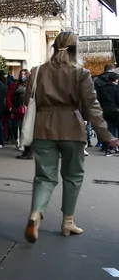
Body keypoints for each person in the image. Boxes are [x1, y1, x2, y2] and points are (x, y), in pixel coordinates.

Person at [23, 32, 118, 244]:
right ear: (76, 50)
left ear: (54, 48)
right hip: (72, 128)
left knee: (44, 177)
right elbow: (91, 106)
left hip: (42, 128)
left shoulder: (38, 71)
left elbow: (27, 98)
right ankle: (67, 222)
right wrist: (105, 135)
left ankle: (36, 214)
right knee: (73, 176)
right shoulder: (81, 73)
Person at [96, 73, 119, 156]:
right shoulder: (116, 88)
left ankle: (107, 149)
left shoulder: (102, 88)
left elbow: (99, 99)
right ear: (116, 80)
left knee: (107, 129)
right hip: (114, 110)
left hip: (104, 110)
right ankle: (117, 146)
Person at [7, 69, 29, 149]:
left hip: (26, 109)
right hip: (17, 108)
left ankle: (23, 143)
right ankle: (18, 140)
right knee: (16, 125)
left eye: (24, 74)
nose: (22, 76)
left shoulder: (29, 85)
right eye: (21, 74)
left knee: (24, 126)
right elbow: (9, 96)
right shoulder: (15, 85)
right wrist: (10, 107)